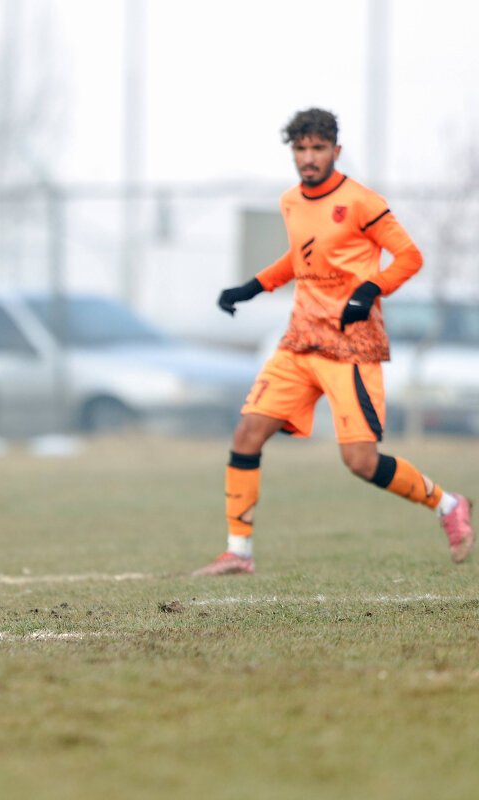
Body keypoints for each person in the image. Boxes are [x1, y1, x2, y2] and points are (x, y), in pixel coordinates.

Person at [194, 107, 472, 577]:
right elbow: (301, 257)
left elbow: (409, 256)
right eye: (300, 148)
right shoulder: (291, 202)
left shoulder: (361, 201)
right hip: (300, 341)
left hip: (351, 345)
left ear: (335, 150)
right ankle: (238, 552)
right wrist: (252, 287)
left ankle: (448, 505)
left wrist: (370, 290)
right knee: (247, 434)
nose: (309, 157)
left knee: (360, 462)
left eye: (318, 148)